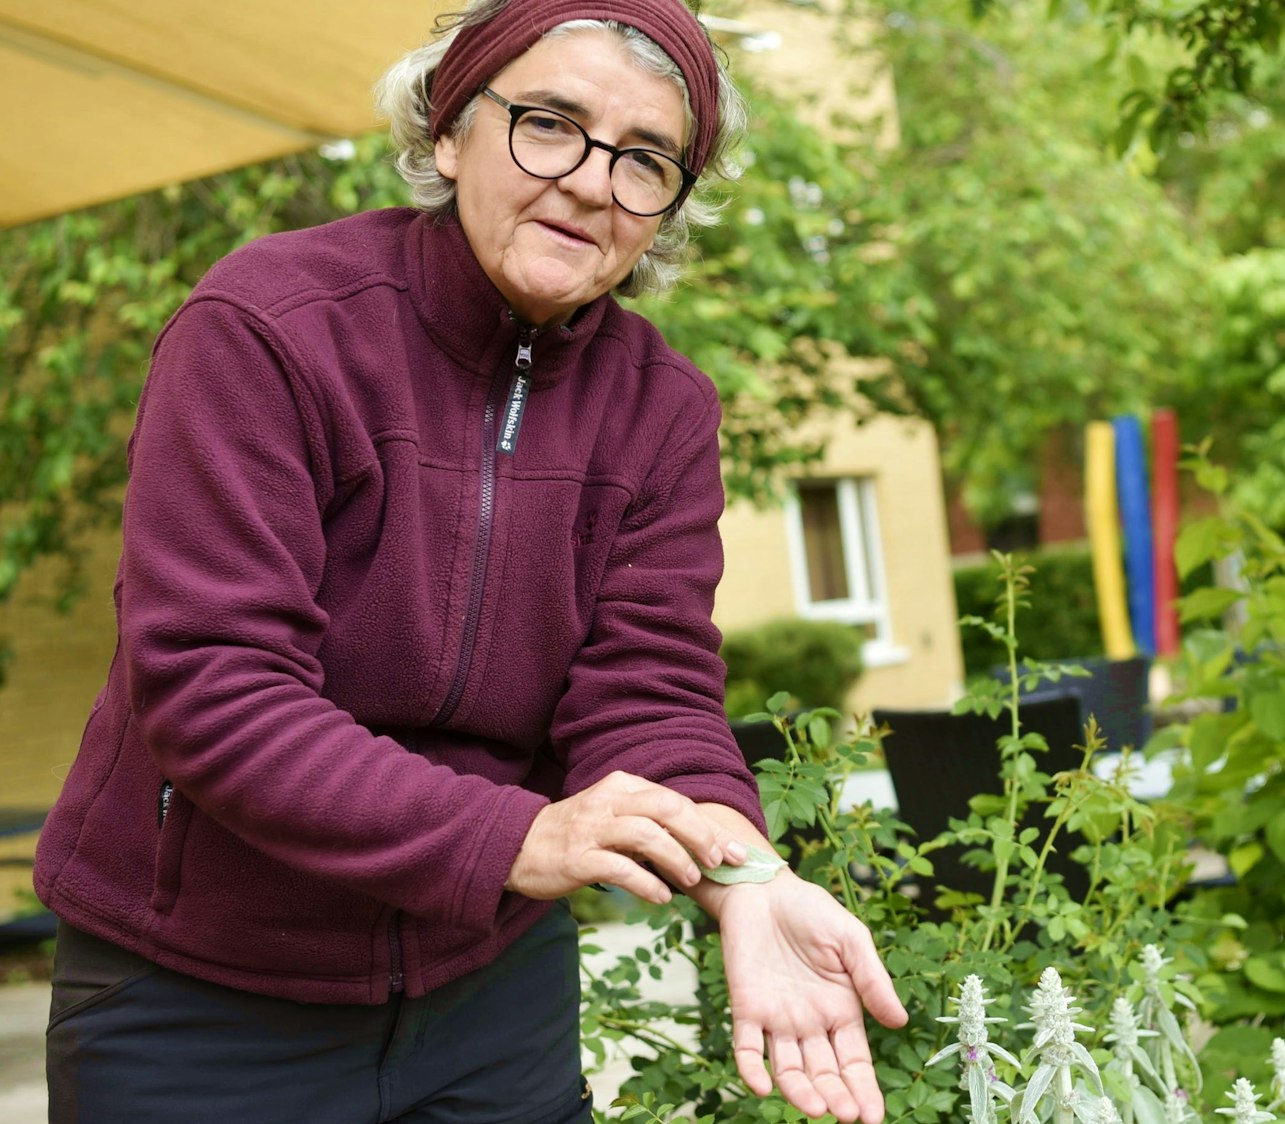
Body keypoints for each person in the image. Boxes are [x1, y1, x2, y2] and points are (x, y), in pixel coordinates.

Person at [32, 2, 906, 1121]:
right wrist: (520, 834)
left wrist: (747, 876)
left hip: (487, 988)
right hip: (202, 988)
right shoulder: (269, 327)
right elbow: (216, 685)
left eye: (647, 161)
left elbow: (647, 692)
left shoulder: (663, 407)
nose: (593, 182)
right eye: (550, 123)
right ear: (448, 133)